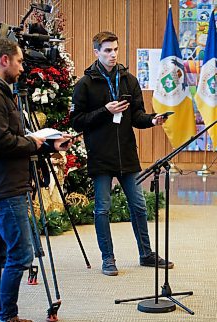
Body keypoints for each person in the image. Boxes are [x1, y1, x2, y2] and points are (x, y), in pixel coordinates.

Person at [0, 38, 72, 322]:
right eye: (20, 61)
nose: (23, 67)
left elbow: (7, 138)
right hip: (3, 186)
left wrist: (47, 145)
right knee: (21, 254)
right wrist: (34, 141)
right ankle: (6, 318)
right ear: (4, 61)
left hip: (1, 182)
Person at [71, 31, 173, 276]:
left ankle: (146, 254)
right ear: (96, 52)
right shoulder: (85, 84)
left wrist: (152, 120)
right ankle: (108, 258)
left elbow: (137, 116)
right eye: (107, 50)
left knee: (138, 206)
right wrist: (105, 110)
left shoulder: (128, 80)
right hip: (100, 155)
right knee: (102, 209)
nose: (113, 54)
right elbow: (76, 121)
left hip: (127, 154)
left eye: (115, 49)